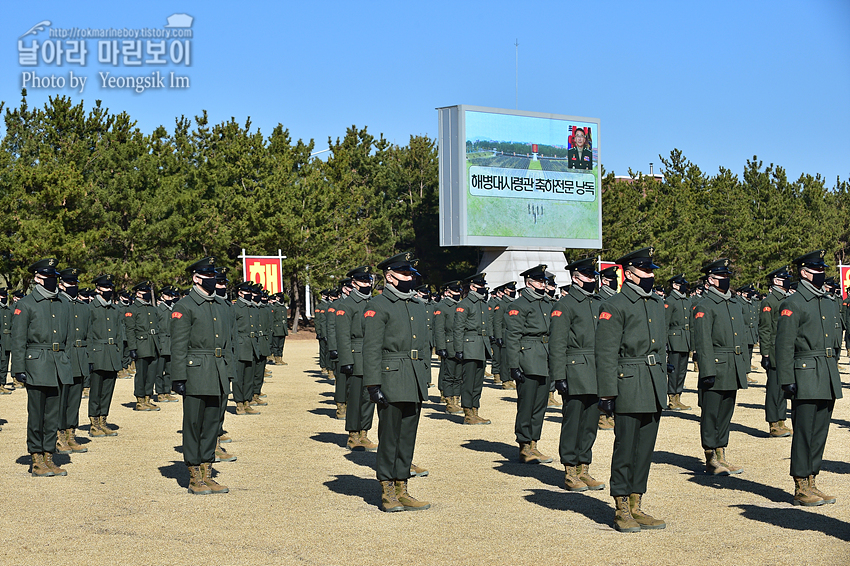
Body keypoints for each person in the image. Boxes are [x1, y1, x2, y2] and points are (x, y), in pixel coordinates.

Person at [596, 247, 666, 532]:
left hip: (652, 383)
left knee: (645, 448)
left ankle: (637, 503)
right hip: (628, 382)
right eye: (645, 270)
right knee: (626, 447)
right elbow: (606, 352)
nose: (650, 275)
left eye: (651, 271)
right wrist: (607, 393)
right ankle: (621, 506)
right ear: (630, 272)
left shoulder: (655, 302)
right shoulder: (615, 305)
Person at [362, 252, 431, 512]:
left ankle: (403, 488)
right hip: (391, 376)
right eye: (404, 273)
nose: (409, 277)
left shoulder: (416, 304)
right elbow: (371, 348)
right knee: (389, 437)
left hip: (413, 377)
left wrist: (425, 377)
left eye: (411, 274)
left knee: (407, 437)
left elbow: (424, 345)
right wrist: (373, 384)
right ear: (390, 276)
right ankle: (387, 489)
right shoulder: (379, 305)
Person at [775, 250, 842, 506]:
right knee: (804, 431)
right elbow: (784, 345)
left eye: (822, 270)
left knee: (820, 431)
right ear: (803, 273)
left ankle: (813, 480)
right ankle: (800, 484)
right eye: (816, 270)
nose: (821, 274)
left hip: (826, 371)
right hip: (805, 372)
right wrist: (786, 378)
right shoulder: (794, 303)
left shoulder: (827, 300)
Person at [170, 257, 233, 495]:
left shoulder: (220, 305)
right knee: (194, 424)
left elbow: (229, 342)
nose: (213, 280)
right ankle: (194, 475)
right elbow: (178, 345)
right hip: (195, 370)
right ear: (196, 278)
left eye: (214, 276)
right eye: (208, 276)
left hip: (217, 370)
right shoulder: (185, 306)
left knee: (212, 424)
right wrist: (178, 377)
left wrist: (230, 371)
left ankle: (208, 472)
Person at [11, 258, 73, 477]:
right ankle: (36, 458)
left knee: (53, 415)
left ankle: (49, 456)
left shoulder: (63, 303)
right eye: (47, 278)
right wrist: (18, 368)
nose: (52, 282)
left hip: (58, 364)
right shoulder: (26, 304)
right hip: (36, 364)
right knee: (36, 415)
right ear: (37, 278)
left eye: (54, 278)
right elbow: (18, 340)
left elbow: (69, 336)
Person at [549, 258, 605, 491]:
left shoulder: (598, 302)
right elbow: (557, 343)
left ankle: (584, 467)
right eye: (588, 276)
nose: (593, 280)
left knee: (591, 422)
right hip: (575, 369)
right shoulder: (565, 305)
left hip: (596, 369)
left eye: (594, 276)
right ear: (576, 278)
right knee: (573, 422)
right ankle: (570, 470)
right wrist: (559, 375)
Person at [692, 259, 749, 476]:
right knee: (711, 414)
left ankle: (722, 454)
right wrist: (706, 370)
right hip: (716, 365)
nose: (725, 280)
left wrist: (743, 365)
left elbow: (740, 337)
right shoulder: (705, 305)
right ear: (710, 280)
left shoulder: (733, 303)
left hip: (731, 365)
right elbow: (703, 340)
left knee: (726, 412)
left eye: (727, 277)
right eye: (720, 277)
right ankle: (710, 457)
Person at [504, 264, 554, 464]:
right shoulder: (519, 305)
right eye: (539, 281)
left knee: (540, 405)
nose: (543, 284)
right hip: (528, 357)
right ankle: (524, 445)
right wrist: (514, 365)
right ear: (529, 283)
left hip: (545, 356)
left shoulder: (548, 303)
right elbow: (513, 337)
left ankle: (534, 443)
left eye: (544, 281)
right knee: (527, 405)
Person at [336, 266, 378, 451]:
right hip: (356, 354)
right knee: (354, 398)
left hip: (372, 355)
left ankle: (364, 433)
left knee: (369, 397)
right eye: (362, 281)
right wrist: (346, 360)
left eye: (368, 281)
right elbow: (343, 335)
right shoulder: (347, 305)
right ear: (353, 283)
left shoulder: (373, 303)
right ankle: (353, 435)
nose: (366, 284)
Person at [56, 267, 90, 454]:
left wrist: (89, 358)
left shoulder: (83, 307)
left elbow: (89, 333)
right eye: (69, 283)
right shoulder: (58, 303)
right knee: (62, 400)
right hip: (64, 357)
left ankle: (71, 434)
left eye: (75, 283)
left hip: (79, 357)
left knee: (75, 400)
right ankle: (59, 436)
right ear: (61, 285)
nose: (73, 286)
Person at [452, 273, 493, 425]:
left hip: (481, 345)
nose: (483, 289)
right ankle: (468, 412)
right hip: (469, 345)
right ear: (472, 287)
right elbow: (458, 328)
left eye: (483, 286)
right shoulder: (465, 304)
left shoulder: (483, 304)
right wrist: (459, 349)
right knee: (468, 382)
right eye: (480, 286)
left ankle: (475, 410)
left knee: (478, 382)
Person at [758, 266, 793, 437]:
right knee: (774, 388)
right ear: (777, 281)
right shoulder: (769, 302)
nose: (787, 280)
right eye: (784, 278)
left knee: (783, 386)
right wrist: (764, 354)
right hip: (773, 349)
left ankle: (781, 421)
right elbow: (764, 329)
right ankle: (773, 423)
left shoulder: (788, 299)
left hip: (785, 349)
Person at [87, 274, 122, 438]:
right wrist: (90, 357)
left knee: (108, 390)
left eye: (110, 287)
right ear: (97, 289)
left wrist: (120, 354)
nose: (108, 290)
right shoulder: (91, 308)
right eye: (105, 287)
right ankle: (94, 423)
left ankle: (103, 421)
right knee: (96, 391)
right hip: (98, 353)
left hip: (112, 353)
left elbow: (120, 334)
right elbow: (88, 333)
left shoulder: (115, 309)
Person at [126, 281, 162, 411]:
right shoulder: (133, 309)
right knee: (141, 374)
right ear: (138, 293)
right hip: (141, 344)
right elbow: (130, 330)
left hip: (153, 344)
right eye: (144, 292)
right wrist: (132, 348)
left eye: (148, 292)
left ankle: (148, 398)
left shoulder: (152, 308)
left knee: (151, 374)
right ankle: (140, 400)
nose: (146, 294)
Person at [434, 280, 464, 414]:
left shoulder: (461, 306)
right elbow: (439, 329)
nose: (457, 293)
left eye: (459, 291)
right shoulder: (442, 307)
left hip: (460, 344)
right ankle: (449, 402)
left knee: (458, 376)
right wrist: (441, 347)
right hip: (449, 344)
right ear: (447, 292)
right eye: (454, 291)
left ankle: (456, 400)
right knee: (448, 375)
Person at [233, 281, 262, 416]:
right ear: (240, 293)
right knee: (239, 377)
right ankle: (239, 403)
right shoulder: (235, 308)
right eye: (247, 292)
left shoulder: (254, 308)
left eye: (251, 292)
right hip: (239, 345)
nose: (250, 295)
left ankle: (247, 402)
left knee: (249, 376)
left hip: (251, 345)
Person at [665, 274, 692, 410]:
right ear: (675, 285)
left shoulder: (686, 301)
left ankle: (678, 396)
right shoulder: (670, 301)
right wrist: (665, 343)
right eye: (681, 284)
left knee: (682, 371)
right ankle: (671, 398)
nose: (684, 287)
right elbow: (665, 323)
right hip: (674, 340)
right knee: (674, 371)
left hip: (685, 339)